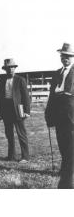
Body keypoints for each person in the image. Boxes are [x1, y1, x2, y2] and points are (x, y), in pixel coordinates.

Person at [45, 43, 74, 188]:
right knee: (63, 147)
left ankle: (67, 183)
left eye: (68, 56)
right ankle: (66, 172)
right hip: (58, 116)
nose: (66, 59)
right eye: (63, 56)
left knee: (70, 149)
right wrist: (48, 115)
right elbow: (51, 96)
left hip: (71, 117)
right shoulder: (57, 73)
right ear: (60, 57)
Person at [0, 58, 31, 163]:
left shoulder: (20, 80)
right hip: (6, 109)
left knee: (21, 133)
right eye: (8, 68)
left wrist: (27, 111)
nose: (10, 70)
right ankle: (11, 155)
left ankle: (25, 157)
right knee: (9, 133)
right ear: (5, 69)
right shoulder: (2, 80)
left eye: (12, 67)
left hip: (18, 109)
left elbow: (26, 97)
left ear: (15, 68)